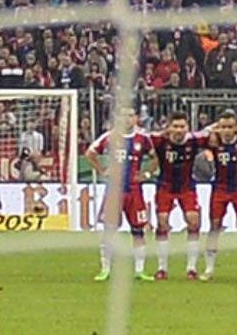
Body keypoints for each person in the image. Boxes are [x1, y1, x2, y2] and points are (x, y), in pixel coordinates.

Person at [88, 110, 154, 282]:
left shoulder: (143, 139)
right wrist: (102, 171)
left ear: (136, 118)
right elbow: (90, 153)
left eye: (131, 115)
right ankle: (105, 269)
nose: (127, 118)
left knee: (138, 230)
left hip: (134, 191)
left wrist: (146, 174)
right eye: (123, 115)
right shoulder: (109, 137)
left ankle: (140, 270)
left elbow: (155, 158)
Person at [149, 113, 207, 281]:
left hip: (187, 186)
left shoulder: (194, 141)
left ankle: (191, 268)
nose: (179, 130)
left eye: (182, 126)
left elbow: (212, 132)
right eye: (175, 126)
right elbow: (141, 138)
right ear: (169, 127)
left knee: (193, 221)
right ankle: (162, 268)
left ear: (187, 128)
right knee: (162, 223)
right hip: (165, 186)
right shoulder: (159, 141)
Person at [202, 110, 237, 282]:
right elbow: (202, 133)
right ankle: (209, 268)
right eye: (223, 127)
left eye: (230, 127)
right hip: (220, 188)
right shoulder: (213, 142)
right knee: (215, 225)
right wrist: (214, 129)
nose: (227, 130)